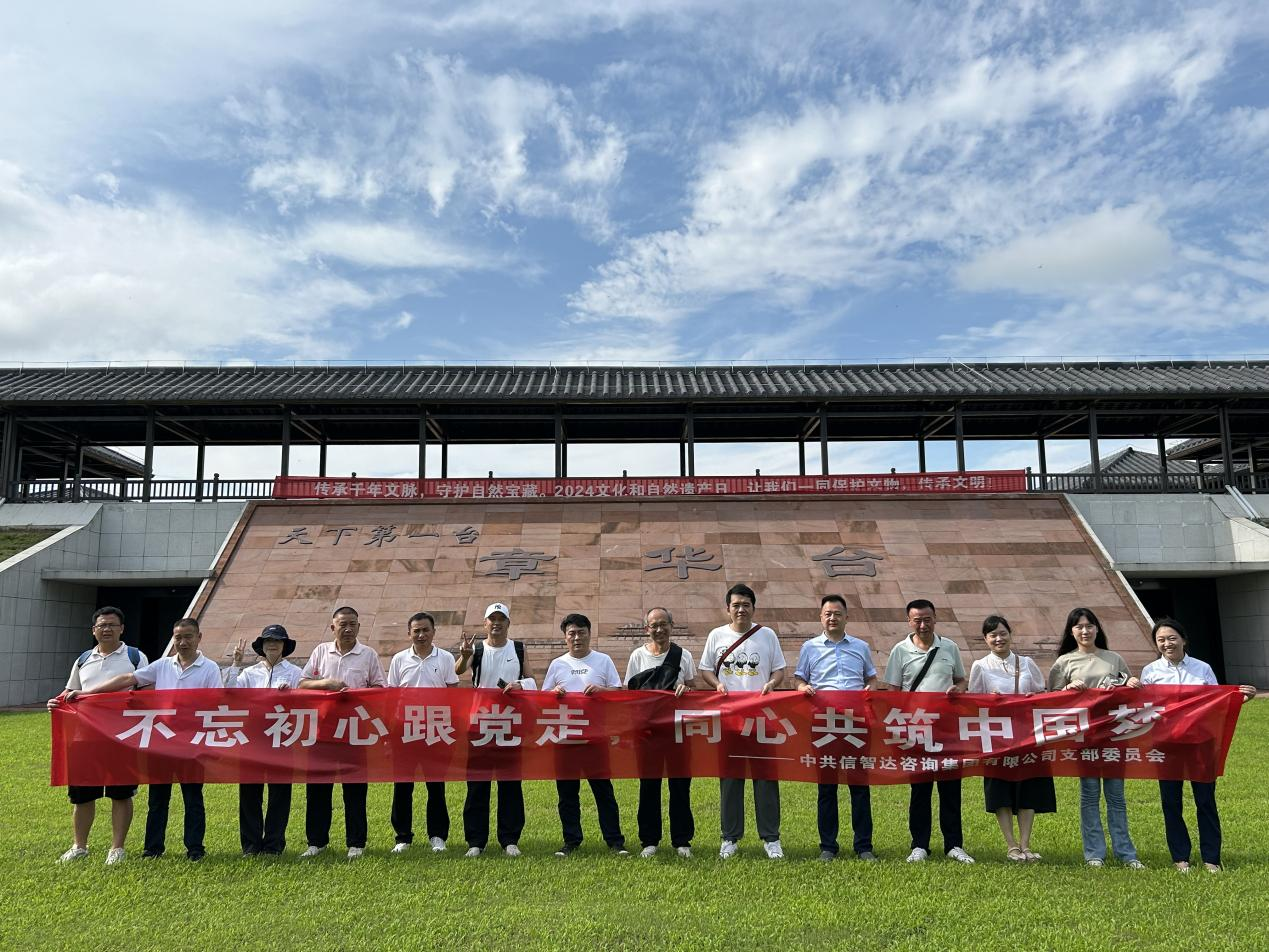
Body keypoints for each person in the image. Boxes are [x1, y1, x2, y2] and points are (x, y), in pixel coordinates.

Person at [66, 617, 222, 861]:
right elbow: (129, 679)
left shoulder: (210, 668)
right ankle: (153, 849)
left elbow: (217, 702)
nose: (183, 642)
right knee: (158, 799)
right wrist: (88, 693)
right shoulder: (162, 665)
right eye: (178, 637)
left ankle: (195, 849)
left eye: (188, 637)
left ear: (199, 638)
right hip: (162, 741)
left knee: (193, 798)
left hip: (193, 744)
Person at [1140, 618, 1257, 873]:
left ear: (1183, 639)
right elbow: (1144, 708)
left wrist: (1241, 699)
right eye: (1161, 640)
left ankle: (1211, 858)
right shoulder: (1149, 672)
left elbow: (1216, 703)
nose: (1167, 644)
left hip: (1200, 743)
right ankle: (1180, 857)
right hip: (1166, 744)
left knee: (1205, 800)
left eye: (1172, 638)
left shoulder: (1202, 668)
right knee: (1171, 802)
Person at [47, 606, 148, 866]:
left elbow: (148, 693)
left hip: (122, 737)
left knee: (121, 793)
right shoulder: (83, 659)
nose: (107, 629)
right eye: (102, 625)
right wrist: (56, 701)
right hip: (85, 737)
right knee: (82, 794)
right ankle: (79, 846)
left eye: (112, 625)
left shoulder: (135, 657)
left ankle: (117, 848)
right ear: (93, 630)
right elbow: (70, 691)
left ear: (121, 629)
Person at [1046, 606, 1145, 869]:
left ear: (1097, 629)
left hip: (1114, 736)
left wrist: (1132, 684)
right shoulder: (1064, 662)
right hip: (1084, 738)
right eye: (1079, 626)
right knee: (1089, 796)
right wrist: (1068, 689)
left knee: (1116, 796)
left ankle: (1126, 853)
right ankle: (1094, 853)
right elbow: (1051, 699)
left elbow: (1129, 692)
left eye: (1089, 626)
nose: (1085, 631)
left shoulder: (1113, 658)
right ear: (1071, 632)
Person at [882, 599, 975, 864]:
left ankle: (954, 845)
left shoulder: (949, 647)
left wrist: (958, 689)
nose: (923, 625)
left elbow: (961, 680)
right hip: (916, 729)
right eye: (917, 620)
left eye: (927, 619)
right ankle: (919, 845)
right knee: (920, 789)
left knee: (951, 789)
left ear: (935, 619)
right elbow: (893, 691)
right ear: (909, 622)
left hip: (947, 729)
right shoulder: (900, 650)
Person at [699, 583, 787, 860]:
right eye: (736, 605)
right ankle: (730, 838)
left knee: (766, 778)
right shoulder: (717, 635)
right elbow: (705, 669)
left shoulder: (767, 635)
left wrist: (772, 684)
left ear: (753, 608)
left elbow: (779, 670)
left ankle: (771, 839)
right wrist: (716, 684)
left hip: (761, 717)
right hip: (729, 717)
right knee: (730, 779)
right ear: (728, 609)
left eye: (746, 605)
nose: (741, 609)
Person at [793, 594, 879, 862]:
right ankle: (828, 846)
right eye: (828, 614)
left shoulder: (861, 647)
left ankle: (863, 846)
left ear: (846, 617)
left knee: (859, 785)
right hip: (825, 723)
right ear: (821, 617)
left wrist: (869, 690)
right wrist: (803, 688)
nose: (832, 618)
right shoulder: (810, 647)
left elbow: (871, 678)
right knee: (827, 786)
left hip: (856, 722)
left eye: (837, 613)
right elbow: (799, 679)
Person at [298, 605, 387, 860]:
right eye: (343, 624)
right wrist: (326, 684)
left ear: (359, 627)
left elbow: (381, 689)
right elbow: (302, 684)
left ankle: (356, 843)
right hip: (322, 732)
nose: (348, 629)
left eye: (352, 624)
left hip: (355, 732)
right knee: (318, 790)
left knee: (355, 790)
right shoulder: (320, 652)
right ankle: (316, 842)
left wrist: (357, 694)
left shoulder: (368, 654)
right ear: (332, 627)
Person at [967, 614, 1054, 862]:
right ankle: (1011, 845)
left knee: (1029, 787)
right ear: (985, 639)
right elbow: (973, 702)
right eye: (993, 635)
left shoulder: (1026, 663)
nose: (999, 639)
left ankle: (1026, 844)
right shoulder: (980, 666)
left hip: (1027, 734)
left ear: (1010, 634)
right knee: (1000, 789)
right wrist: (989, 700)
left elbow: (1042, 695)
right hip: (997, 737)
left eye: (1003, 633)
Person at [543, 613, 629, 857]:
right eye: (572, 633)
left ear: (590, 634)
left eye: (581, 632)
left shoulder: (603, 660)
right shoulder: (557, 664)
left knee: (603, 791)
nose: (577, 638)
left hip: (596, 738)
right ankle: (571, 841)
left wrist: (602, 690)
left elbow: (618, 692)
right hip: (565, 737)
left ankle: (615, 841)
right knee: (567, 794)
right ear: (565, 637)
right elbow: (543, 696)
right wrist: (554, 693)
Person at [455, 602, 536, 858]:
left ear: (508, 623)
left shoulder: (518, 648)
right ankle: (475, 841)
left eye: (501, 619)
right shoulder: (477, 649)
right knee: (477, 785)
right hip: (480, 725)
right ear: (485, 623)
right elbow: (458, 670)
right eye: (493, 619)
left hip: (510, 724)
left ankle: (510, 839)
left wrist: (520, 685)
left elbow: (533, 681)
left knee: (510, 784)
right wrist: (465, 655)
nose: (497, 623)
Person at [224, 624, 303, 855]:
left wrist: (291, 695)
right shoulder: (249, 673)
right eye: (268, 641)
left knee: (280, 794)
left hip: (282, 738)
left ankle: (274, 845)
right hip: (253, 739)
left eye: (277, 641)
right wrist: (236, 663)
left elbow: (305, 701)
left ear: (284, 645)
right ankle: (250, 845)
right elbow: (230, 694)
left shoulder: (295, 673)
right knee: (249, 793)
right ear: (262, 646)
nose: (272, 644)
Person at [625, 607, 697, 859]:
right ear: (647, 629)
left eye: (663, 624)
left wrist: (687, 690)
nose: (659, 629)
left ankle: (682, 841)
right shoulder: (638, 656)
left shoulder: (683, 655)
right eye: (654, 625)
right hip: (648, 732)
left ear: (671, 625)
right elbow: (630, 693)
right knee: (649, 786)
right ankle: (649, 840)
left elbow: (693, 688)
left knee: (680, 786)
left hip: (678, 731)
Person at [386, 611, 459, 855]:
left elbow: (453, 693)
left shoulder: (445, 658)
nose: (421, 635)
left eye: (425, 630)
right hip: (405, 729)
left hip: (436, 730)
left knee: (436, 786)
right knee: (402, 786)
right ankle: (402, 837)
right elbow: (391, 696)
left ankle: (437, 836)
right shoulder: (399, 659)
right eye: (416, 631)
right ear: (409, 633)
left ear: (433, 632)